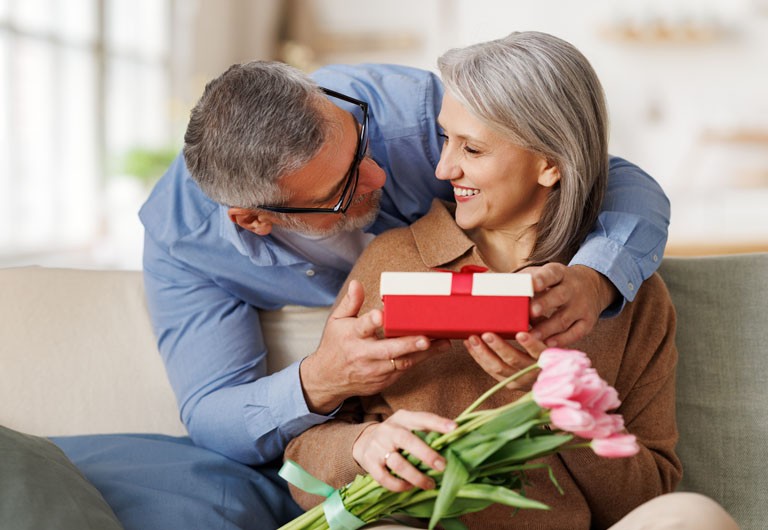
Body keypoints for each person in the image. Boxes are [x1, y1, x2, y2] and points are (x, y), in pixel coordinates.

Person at [283, 32, 737, 530]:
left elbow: (644, 498)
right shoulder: (393, 262)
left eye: (473, 149)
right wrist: (361, 444)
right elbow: (300, 468)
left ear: (550, 165)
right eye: (445, 138)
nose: (443, 168)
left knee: (695, 515)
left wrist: (555, 402)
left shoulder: (630, 297)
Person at [139, 61, 669, 469]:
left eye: (360, 143)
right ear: (255, 219)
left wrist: (595, 279)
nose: (378, 175)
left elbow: (601, 172)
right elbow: (211, 414)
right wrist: (321, 379)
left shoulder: (407, 113)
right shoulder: (184, 246)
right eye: (344, 187)